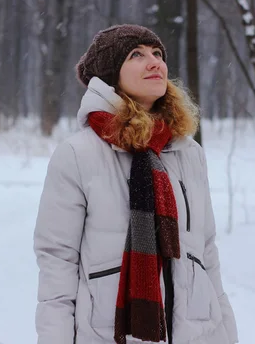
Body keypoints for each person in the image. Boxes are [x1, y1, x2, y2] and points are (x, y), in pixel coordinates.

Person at [33, 24, 238, 344]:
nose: (155, 62)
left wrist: (226, 334)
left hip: (196, 334)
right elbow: (58, 262)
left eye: (158, 54)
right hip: (110, 333)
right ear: (111, 74)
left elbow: (207, 252)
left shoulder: (188, 151)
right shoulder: (77, 154)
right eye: (137, 55)